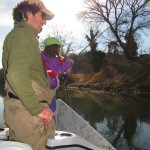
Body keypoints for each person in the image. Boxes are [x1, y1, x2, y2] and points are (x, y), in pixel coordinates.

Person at [2, 0, 56, 150]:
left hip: (22, 111)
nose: (45, 22)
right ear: (28, 14)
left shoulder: (19, 35)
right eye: (42, 16)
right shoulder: (24, 35)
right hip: (29, 114)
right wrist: (37, 109)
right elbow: (16, 74)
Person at [41, 37, 74, 119]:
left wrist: (64, 63)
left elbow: (58, 70)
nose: (59, 49)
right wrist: (68, 63)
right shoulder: (47, 58)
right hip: (47, 87)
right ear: (54, 47)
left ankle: (51, 127)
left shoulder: (48, 58)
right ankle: (51, 128)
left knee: (51, 108)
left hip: (49, 86)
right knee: (51, 110)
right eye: (59, 47)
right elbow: (56, 71)